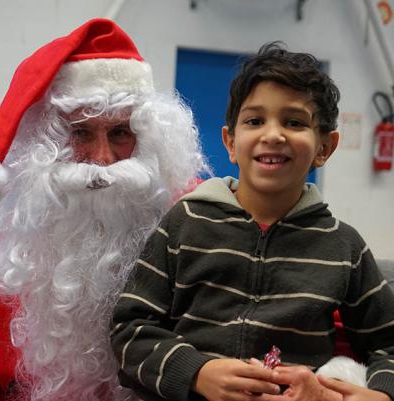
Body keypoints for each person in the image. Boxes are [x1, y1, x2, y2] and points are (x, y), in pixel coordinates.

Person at [0, 18, 207, 401]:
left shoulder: (195, 223)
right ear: (46, 143)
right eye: (81, 133)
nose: (102, 160)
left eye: (120, 133)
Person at [110, 42, 394, 401]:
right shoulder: (185, 222)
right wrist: (197, 373)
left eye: (294, 122)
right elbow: (129, 329)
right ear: (230, 142)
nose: (272, 135)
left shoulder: (344, 247)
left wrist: (381, 394)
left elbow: (388, 344)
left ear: (324, 147)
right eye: (255, 121)